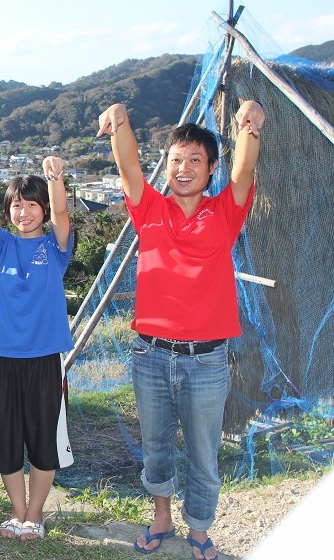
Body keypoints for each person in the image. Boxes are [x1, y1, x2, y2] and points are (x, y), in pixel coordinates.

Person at [97, 100, 264, 560]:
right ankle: (161, 518)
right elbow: (128, 163)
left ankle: (200, 529)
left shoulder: (225, 211)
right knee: (156, 447)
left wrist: (250, 120)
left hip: (207, 359)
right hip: (150, 355)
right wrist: (121, 118)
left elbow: (246, 169)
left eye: (195, 160)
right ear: (166, 167)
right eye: (175, 160)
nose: (184, 168)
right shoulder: (148, 208)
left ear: (211, 169)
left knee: (204, 452)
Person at [0, 157, 74, 540]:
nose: (23, 212)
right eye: (16, 205)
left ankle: (36, 515)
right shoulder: (2, 246)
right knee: (6, 437)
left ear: (42, 208)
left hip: (45, 360)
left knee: (44, 439)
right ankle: (18, 512)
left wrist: (55, 179)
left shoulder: (56, 247)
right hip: (3, 361)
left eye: (31, 204)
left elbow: (61, 211)